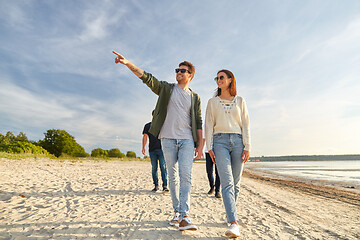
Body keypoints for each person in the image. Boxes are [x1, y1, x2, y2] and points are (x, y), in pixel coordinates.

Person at [113, 51, 203, 231]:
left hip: (186, 140)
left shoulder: (195, 97)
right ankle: (177, 212)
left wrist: (200, 145)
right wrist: (128, 63)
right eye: (177, 70)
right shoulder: (166, 89)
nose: (178, 72)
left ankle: (185, 215)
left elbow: (198, 121)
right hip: (167, 139)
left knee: (186, 176)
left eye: (182, 70)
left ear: (190, 75)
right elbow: (147, 78)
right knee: (172, 177)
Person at [205, 69, 251, 238]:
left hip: (239, 142)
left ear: (231, 80)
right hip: (219, 142)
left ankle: (229, 214)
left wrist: (248, 146)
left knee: (236, 183)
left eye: (221, 77)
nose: (218, 80)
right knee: (227, 182)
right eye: (216, 78)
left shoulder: (240, 100)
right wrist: (209, 146)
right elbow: (208, 124)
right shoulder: (212, 102)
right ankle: (233, 222)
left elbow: (245, 124)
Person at [142, 111, 169, 193]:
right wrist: (143, 147)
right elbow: (145, 137)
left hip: (162, 149)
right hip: (152, 150)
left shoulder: (163, 125)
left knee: (163, 168)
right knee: (154, 168)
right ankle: (156, 185)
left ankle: (165, 186)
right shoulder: (147, 126)